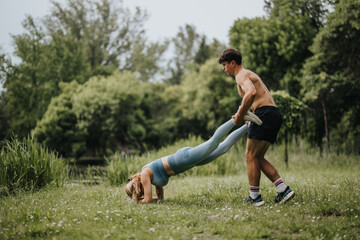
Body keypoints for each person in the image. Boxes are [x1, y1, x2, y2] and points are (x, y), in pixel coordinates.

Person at [125, 111, 262, 203]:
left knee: (213, 143)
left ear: (137, 189)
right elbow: (159, 198)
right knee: (222, 148)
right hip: (187, 163)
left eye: (138, 194)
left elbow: (148, 200)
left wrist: (137, 202)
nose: (141, 195)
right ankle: (248, 125)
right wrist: (150, 199)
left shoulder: (144, 175)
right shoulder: (150, 180)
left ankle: (239, 115)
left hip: (182, 158)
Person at [218, 48, 295, 206]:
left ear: (233, 63)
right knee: (257, 157)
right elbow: (257, 97)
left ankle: (255, 198)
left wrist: (240, 114)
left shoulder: (241, 74)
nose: (223, 68)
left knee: (250, 156)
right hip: (272, 114)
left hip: (264, 113)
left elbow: (251, 93)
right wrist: (249, 115)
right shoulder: (247, 74)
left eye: (225, 64)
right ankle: (283, 190)